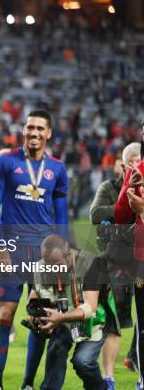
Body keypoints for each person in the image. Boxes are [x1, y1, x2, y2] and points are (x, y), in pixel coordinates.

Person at [0, 110, 69, 390]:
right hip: (11, 247)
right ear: (23, 130)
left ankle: (27, 384)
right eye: (29, 127)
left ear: (48, 134)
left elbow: (61, 217)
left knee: (39, 317)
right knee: (5, 313)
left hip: (44, 254)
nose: (34, 133)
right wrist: (0, 247)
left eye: (39, 129)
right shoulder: (5, 160)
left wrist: (63, 253)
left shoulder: (57, 169)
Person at [29, 235, 116, 390]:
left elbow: (90, 308)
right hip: (64, 322)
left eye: (57, 265)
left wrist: (60, 317)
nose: (53, 269)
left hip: (94, 321)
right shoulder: (42, 267)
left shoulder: (91, 264)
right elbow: (35, 296)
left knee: (82, 361)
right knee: (56, 349)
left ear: (69, 254)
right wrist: (37, 317)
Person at [90, 144, 140, 388]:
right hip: (116, 260)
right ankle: (108, 377)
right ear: (124, 165)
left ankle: (134, 360)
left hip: (140, 259)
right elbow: (95, 214)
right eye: (135, 163)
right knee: (114, 323)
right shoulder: (109, 187)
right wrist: (125, 207)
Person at [113, 121, 144, 390]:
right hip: (142, 259)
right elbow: (121, 216)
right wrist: (127, 187)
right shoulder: (139, 170)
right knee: (143, 327)